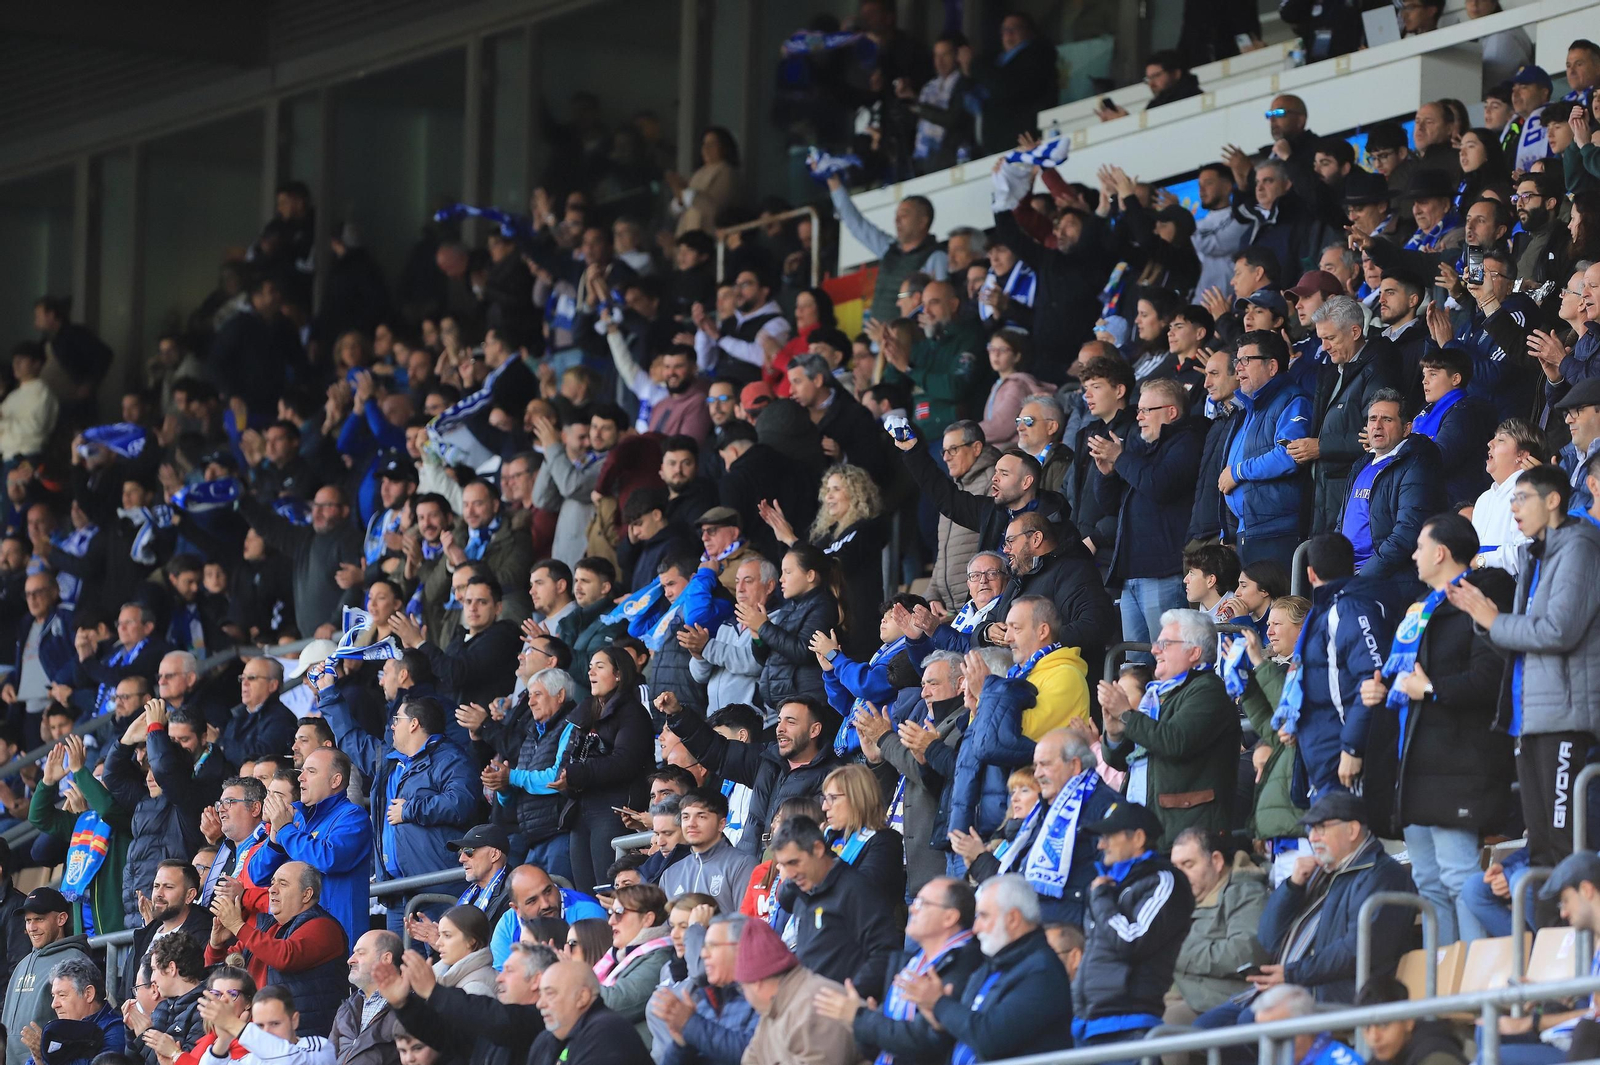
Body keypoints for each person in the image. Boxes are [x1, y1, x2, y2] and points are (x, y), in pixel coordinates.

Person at [1446, 463, 1600, 910]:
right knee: (1542, 845)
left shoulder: (1581, 548)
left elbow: (1557, 630)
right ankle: (1553, 957)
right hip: (1529, 713)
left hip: (1566, 716)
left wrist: (1493, 620)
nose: (1513, 508)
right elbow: (1518, 630)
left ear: (1553, 500)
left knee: (1562, 848)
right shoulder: (1536, 553)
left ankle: (1573, 965)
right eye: (1510, 499)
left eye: (1522, 498)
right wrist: (1484, 619)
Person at [1358, 514, 1514, 944]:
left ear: (1441, 553)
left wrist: (1428, 688)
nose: (1413, 555)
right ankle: (1441, 989)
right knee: (1427, 883)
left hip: (1457, 765)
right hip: (1414, 766)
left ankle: (1476, 984)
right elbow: (1406, 679)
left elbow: (1490, 678)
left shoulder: (1479, 600)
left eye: (1420, 546)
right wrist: (1384, 690)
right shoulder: (1420, 611)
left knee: (1461, 878)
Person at [1196, 791, 1415, 1027]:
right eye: (1310, 830)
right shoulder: (1319, 872)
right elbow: (1268, 939)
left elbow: (1356, 950)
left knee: (1251, 1021)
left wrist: (1292, 974)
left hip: (1339, 994)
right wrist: (1292, 887)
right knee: (1207, 1026)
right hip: (1299, 984)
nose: (1313, 838)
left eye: (1321, 828)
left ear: (1352, 830)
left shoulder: (1383, 874)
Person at [315, 688, 477, 937]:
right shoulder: (390, 761)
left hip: (436, 887)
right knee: (401, 970)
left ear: (414, 724)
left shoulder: (450, 758)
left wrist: (410, 809)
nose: (391, 726)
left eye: (396, 720)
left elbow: (462, 803)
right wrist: (327, 692)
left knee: (438, 966)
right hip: (398, 892)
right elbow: (351, 739)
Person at [1097, 610, 1240, 845]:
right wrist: (1114, 733)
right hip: (1153, 825)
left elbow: (1175, 742)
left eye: (1165, 644)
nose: (1154, 650)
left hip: (1187, 834)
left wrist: (1127, 714)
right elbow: (1123, 761)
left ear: (1194, 651)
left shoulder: (1208, 691)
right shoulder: (1159, 695)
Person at [896, 873, 1073, 1063]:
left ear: (1013, 919)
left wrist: (939, 1003)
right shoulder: (990, 966)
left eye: (983, 916)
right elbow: (967, 1031)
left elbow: (990, 1038)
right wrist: (939, 1022)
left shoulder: (1042, 972)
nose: (976, 928)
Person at [813, 875, 982, 1065]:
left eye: (922, 903)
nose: (912, 908)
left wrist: (860, 1018)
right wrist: (863, 1023)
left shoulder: (964, 964)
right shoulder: (910, 963)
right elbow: (886, 1044)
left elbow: (925, 1042)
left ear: (949, 917)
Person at [659, 691, 843, 859]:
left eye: (791, 722)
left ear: (814, 730)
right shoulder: (766, 759)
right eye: (779, 721)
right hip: (748, 869)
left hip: (791, 872)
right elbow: (715, 750)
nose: (780, 728)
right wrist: (678, 714)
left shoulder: (832, 776)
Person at [1276, 534, 1390, 803]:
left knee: (1348, 842)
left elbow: (1372, 681)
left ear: (1310, 573)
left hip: (1343, 758)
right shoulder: (1322, 612)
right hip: (1322, 756)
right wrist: (1296, 722)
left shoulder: (1350, 609)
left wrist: (1352, 748)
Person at [203, 863, 349, 1037]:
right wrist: (216, 946)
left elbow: (285, 957)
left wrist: (237, 925)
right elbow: (221, 976)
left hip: (302, 1040)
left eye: (283, 883)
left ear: (306, 894)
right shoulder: (267, 927)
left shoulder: (324, 926)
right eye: (272, 883)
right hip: (259, 1035)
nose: (272, 889)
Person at [1300, 296, 1403, 535]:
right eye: (1321, 339)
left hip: (1352, 490)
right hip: (1325, 492)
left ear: (1355, 331)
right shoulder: (1334, 369)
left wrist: (1321, 447)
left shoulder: (1377, 367)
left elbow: (1375, 438)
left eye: (1331, 338)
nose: (1324, 346)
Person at [260, 746, 371, 950]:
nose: (301, 778)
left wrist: (285, 830)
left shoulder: (353, 816)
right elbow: (259, 875)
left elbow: (329, 858)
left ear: (335, 781)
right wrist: (275, 842)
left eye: (311, 771)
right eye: (302, 771)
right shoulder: (298, 819)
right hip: (295, 935)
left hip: (338, 937)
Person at [1220, 331, 1312, 568]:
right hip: (1247, 530)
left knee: (1277, 604)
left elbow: (1288, 455)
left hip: (1276, 531)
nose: (1238, 368)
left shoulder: (1293, 400)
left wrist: (1238, 471)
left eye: (1246, 360)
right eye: (1236, 361)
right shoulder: (1250, 408)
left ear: (1272, 366)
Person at [1165, 829, 1269, 1031]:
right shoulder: (1180, 896)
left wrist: (1178, 952)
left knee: (1162, 1027)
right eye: (1176, 867)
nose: (1180, 874)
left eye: (1188, 865)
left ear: (1217, 861)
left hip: (1215, 1003)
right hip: (1176, 994)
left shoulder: (1245, 893)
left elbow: (1245, 953)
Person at [1339, 389, 1449, 579]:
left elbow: (1407, 532)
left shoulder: (1417, 464)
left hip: (1385, 580)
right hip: (1347, 574)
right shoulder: (1361, 464)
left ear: (1406, 428)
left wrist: (1364, 577)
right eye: (1372, 419)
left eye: (1387, 420)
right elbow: (1341, 523)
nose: (1377, 426)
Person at [821, 171, 945, 327]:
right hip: (877, 342)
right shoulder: (889, 248)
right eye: (896, 215)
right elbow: (857, 224)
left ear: (922, 221)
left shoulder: (936, 257)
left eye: (904, 215)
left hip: (908, 342)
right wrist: (833, 182)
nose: (897, 220)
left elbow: (940, 305)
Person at [729, 915, 857, 1065]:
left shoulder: (813, 1005)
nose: (744, 994)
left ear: (757, 983)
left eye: (742, 987)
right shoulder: (772, 1011)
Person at [647, 911, 757, 1065]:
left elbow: (752, 1053)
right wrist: (681, 1044)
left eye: (712, 946)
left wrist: (690, 1023)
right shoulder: (706, 999)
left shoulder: (762, 996)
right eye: (704, 946)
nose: (704, 954)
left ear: (740, 948)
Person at [3, 888, 93, 1065]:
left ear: (61, 919)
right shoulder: (22, 964)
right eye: (28, 921)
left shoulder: (75, 960)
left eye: (39, 919)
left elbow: (79, 1030)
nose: (32, 927)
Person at [121, 860, 212, 1002]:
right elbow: (124, 993)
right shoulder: (145, 935)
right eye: (156, 886)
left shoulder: (202, 936)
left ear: (190, 895)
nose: (159, 893)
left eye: (168, 887)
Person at [531, 959, 651, 1065]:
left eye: (550, 993)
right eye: (541, 994)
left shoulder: (607, 1032)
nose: (540, 1004)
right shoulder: (545, 1039)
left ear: (582, 997)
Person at [658, 790, 756, 915]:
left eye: (701, 816)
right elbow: (665, 928)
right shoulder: (670, 874)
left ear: (721, 824)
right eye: (686, 817)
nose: (691, 824)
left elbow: (746, 922)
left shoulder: (742, 864)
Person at [195, 983, 336, 1065]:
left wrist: (231, 1023)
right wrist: (224, 1040)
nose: (266, 1032)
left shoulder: (318, 1048)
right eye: (259, 1026)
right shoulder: (253, 1058)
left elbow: (290, 1060)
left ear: (294, 1020)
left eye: (275, 1024)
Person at [128, 934, 208, 1065]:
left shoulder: (204, 1010)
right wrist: (132, 1031)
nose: (152, 978)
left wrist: (145, 1034)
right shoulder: (163, 1006)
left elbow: (174, 1061)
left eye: (154, 969)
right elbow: (135, 1061)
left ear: (171, 968)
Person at [1354, 975, 1468, 1065]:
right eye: (1367, 1027)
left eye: (1384, 1025)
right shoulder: (1385, 1058)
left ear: (1408, 1021)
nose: (1374, 1037)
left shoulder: (1437, 1058)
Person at [330, 930, 403, 1065]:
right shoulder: (346, 1008)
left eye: (361, 953)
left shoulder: (409, 1006)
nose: (350, 960)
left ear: (386, 959)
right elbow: (327, 1058)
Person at [220, 658, 296, 767]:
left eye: (251, 678)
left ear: (272, 685)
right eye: (242, 678)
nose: (244, 683)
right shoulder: (238, 715)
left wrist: (220, 743)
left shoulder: (281, 719)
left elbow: (259, 759)